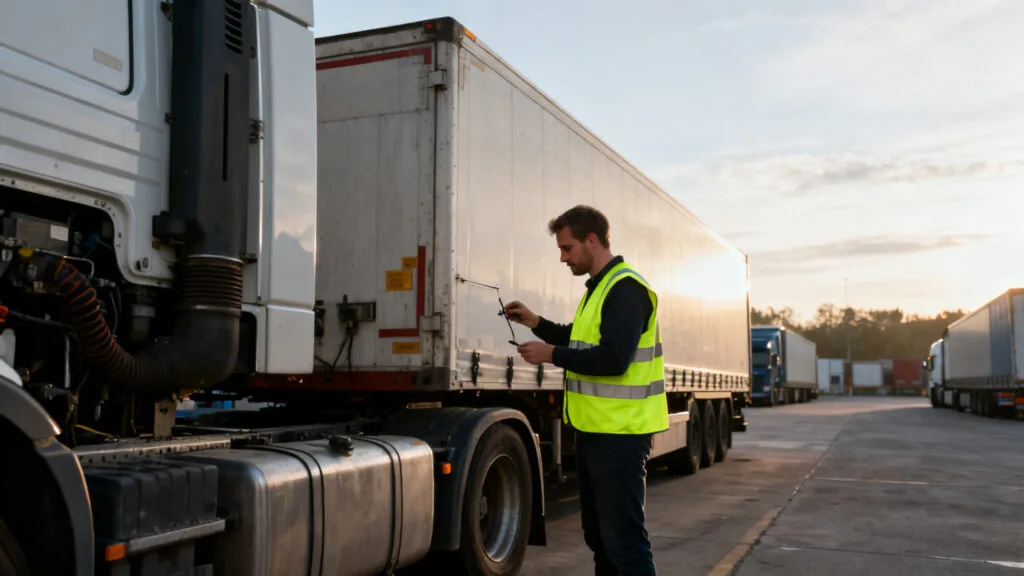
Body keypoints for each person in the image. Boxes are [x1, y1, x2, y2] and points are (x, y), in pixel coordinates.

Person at [504, 205, 668, 576]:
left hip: (621, 435)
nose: (563, 258)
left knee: (624, 544)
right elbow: (578, 339)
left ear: (592, 240)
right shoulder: (600, 288)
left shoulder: (625, 289)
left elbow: (614, 359)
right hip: (597, 432)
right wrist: (536, 322)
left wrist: (550, 355)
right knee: (601, 539)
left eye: (567, 248)